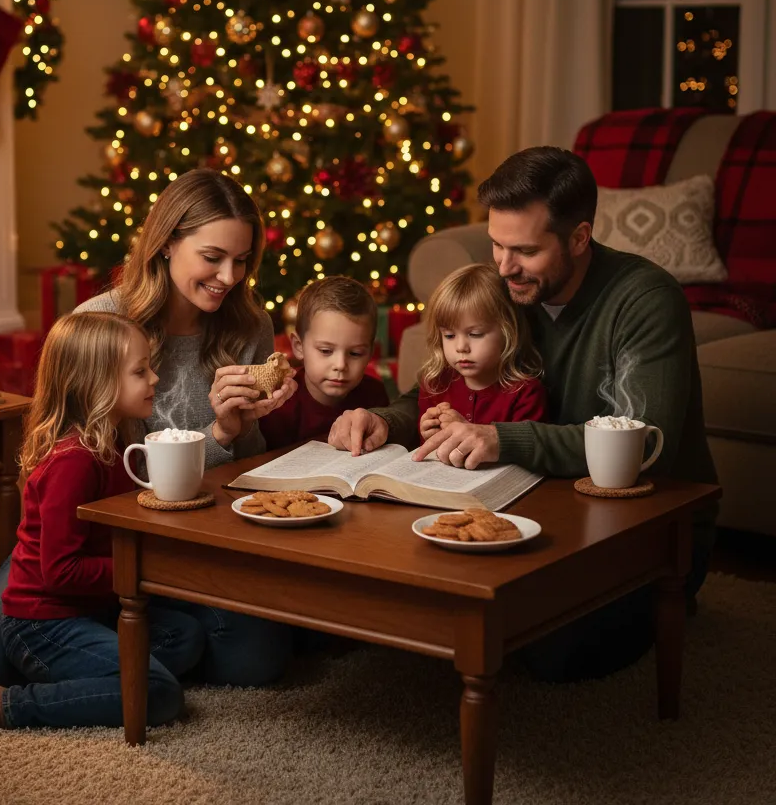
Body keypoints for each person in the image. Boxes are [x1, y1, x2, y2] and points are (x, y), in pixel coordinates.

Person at [329, 146, 718, 682]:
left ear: (580, 238)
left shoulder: (643, 300)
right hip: (532, 508)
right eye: (496, 244)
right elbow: (442, 392)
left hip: (648, 532)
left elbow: (646, 445)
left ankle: (659, 603)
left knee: (548, 649)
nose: (505, 266)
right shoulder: (515, 288)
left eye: (525, 250)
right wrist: (387, 420)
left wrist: (502, 438)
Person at [0, 169, 296, 699]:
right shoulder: (100, 324)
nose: (228, 276)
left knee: (256, 659)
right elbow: (67, 466)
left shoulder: (249, 327)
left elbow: (243, 475)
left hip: (192, 535)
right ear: (168, 242)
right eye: (213, 257)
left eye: (242, 261)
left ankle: (108, 635)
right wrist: (214, 431)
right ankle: (25, 619)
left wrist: (245, 427)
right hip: (93, 538)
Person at [0, 312, 205, 744]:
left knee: (186, 636)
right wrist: (140, 571)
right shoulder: (75, 461)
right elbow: (59, 572)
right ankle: (3, 706)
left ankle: (69, 672)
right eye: (139, 371)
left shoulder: (115, 437)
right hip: (43, 622)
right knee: (159, 694)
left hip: (92, 610)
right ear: (97, 384)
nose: (154, 377)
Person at [416, 262, 547, 443]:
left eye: (475, 334)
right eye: (449, 335)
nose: (461, 347)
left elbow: (524, 455)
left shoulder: (525, 394)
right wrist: (429, 433)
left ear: (507, 332)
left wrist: (467, 431)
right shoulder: (436, 384)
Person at [260, 275, 388, 451]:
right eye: (326, 351)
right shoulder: (281, 401)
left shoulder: (375, 395)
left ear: (370, 353)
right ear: (299, 346)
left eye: (355, 353)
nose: (340, 365)